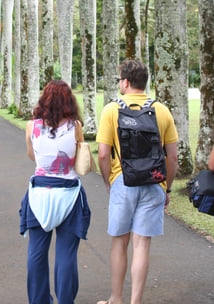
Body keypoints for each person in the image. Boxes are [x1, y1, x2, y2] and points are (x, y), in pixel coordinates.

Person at [96, 59, 178, 304]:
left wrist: (109, 181)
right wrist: (168, 187)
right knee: (142, 245)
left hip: (123, 182)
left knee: (120, 243)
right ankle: (136, 302)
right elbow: (172, 156)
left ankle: (116, 299)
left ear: (126, 81)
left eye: (119, 79)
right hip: (153, 182)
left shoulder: (111, 110)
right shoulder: (161, 110)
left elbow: (102, 154)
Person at [19, 79, 91, 304]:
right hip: (69, 194)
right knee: (66, 254)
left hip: (39, 193)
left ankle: (38, 301)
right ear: (69, 101)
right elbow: (78, 157)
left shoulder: (32, 126)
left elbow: (33, 156)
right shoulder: (76, 126)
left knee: (36, 253)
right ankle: (66, 300)